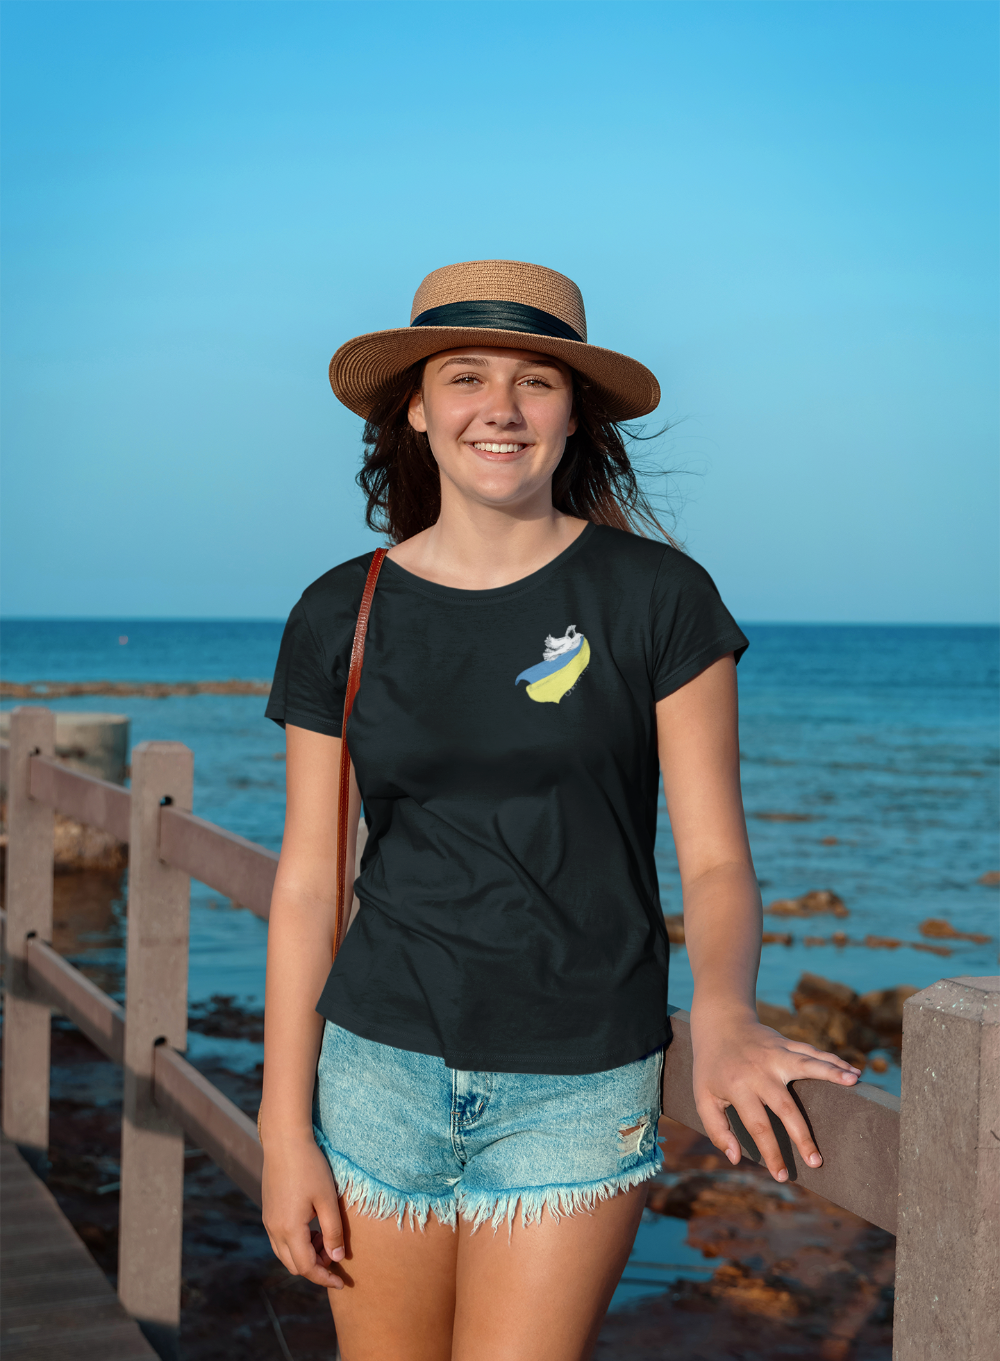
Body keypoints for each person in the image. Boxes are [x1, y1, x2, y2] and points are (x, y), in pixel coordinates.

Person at [258, 260, 861, 1361]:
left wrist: (723, 1011)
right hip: (376, 1071)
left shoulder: (658, 599)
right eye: (466, 376)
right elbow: (307, 882)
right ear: (416, 405)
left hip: (579, 1080)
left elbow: (716, 859)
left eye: (535, 379)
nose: (499, 407)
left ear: (574, 412)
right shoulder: (339, 611)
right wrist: (280, 1129)